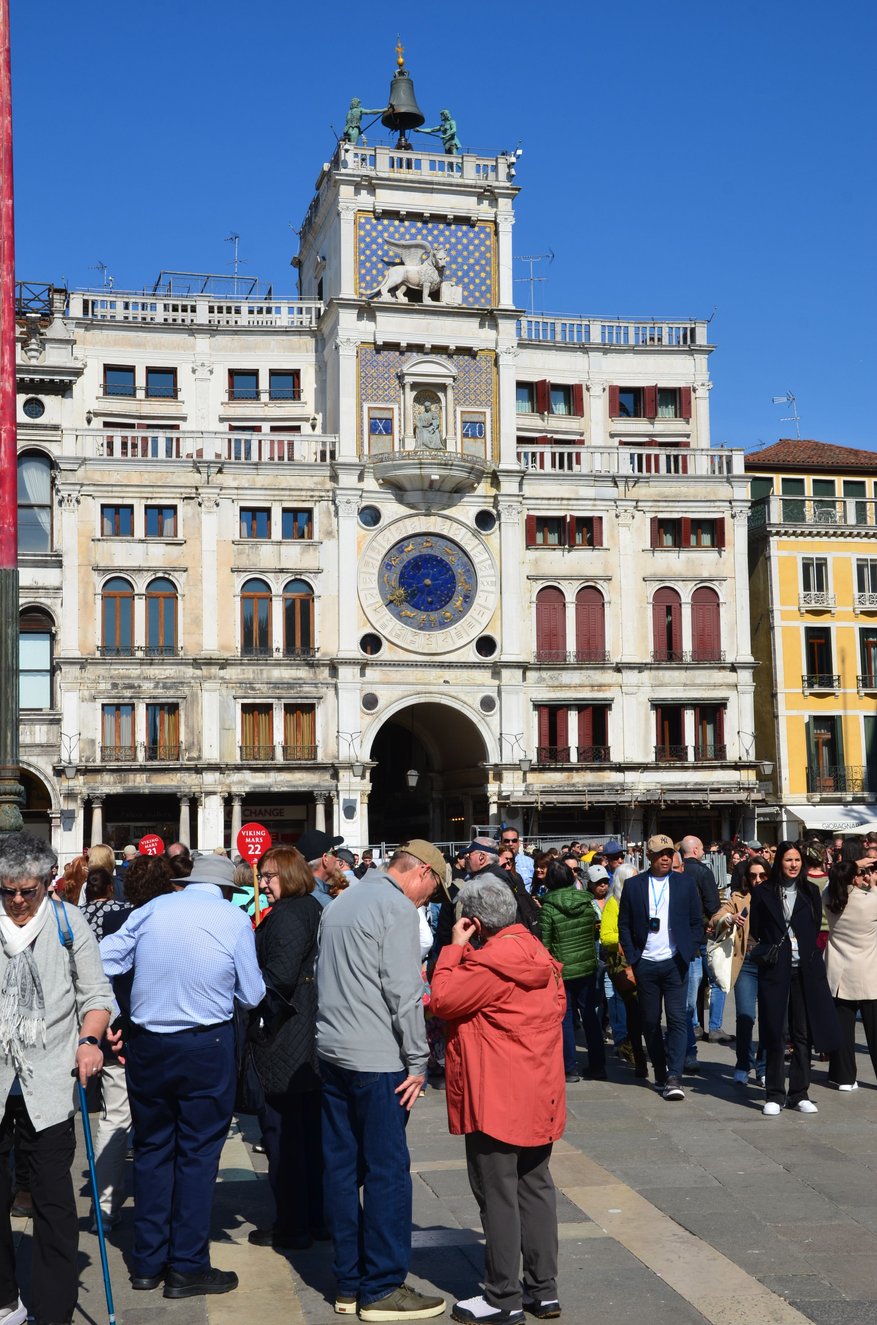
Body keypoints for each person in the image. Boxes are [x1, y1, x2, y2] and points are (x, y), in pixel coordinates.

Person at [100, 854, 265, 1298]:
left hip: (150, 1044)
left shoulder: (152, 909)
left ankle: (148, 1262)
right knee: (197, 1154)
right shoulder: (232, 918)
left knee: (153, 1147)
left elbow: (101, 961)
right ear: (227, 890)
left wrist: (117, 1017)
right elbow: (251, 994)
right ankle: (187, 1264)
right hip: (203, 1046)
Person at [317, 840, 447, 1321]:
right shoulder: (395, 908)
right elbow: (404, 991)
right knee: (387, 1172)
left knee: (341, 1170)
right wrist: (418, 1062)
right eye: (432, 892)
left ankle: (348, 1281)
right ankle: (382, 1286)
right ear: (422, 875)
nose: (428, 902)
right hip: (376, 1060)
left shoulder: (341, 901)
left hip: (333, 1052)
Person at [430, 876, 566, 1325]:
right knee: (536, 1186)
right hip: (538, 1090)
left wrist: (453, 948)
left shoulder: (489, 964)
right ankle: (543, 1291)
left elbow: (444, 1000)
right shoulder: (539, 954)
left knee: (498, 1195)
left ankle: (502, 1296)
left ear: (473, 922)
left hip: (495, 1096)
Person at [0, 832, 114, 1325]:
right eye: (8, 891)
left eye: (27, 890)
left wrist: (89, 1041)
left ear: (48, 882)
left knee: (52, 1199)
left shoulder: (68, 925)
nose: (18, 901)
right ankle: (5, 1299)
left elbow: (96, 996)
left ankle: (52, 1312)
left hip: (48, 1079)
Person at [246, 846, 324, 1250]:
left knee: (286, 1138)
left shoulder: (292, 915)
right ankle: (311, 1217)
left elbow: (278, 978)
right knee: (303, 1136)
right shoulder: (304, 908)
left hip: (286, 1039)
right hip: (298, 1037)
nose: (263, 884)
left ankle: (294, 1224)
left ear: (289, 876)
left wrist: (251, 1005)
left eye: (269, 877)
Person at [749, 841, 839, 1116]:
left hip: (805, 969)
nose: (793, 865)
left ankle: (799, 1092)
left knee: (803, 1033)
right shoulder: (764, 892)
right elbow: (757, 930)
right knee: (775, 1031)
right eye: (788, 860)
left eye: (797, 860)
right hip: (776, 969)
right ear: (779, 863)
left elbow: (813, 928)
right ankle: (774, 1093)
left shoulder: (810, 891)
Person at [617, 833, 704, 1101]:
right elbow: (625, 924)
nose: (665, 858)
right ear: (650, 857)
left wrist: (687, 952)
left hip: (675, 962)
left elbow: (696, 921)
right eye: (660, 854)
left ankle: (675, 1075)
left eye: (669, 853)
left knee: (678, 1019)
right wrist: (634, 959)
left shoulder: (685, 884)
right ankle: (660, 1071)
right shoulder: (634, 886)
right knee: (650, 1021)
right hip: (646, 963)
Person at [539, 861, 605, 1083]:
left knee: (565, 1018)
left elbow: (545, 944)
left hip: (561, 970)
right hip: (587, 966)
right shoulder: (587, 903)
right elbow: (593, 934)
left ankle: (569, 1067)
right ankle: (598, 1065)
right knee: (590, 1017)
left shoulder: (548, 907)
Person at [823, 858, 877, 1090]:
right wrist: (873, 883)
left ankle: (844, 1077)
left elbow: (829, 883)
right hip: (868, 973)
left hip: (838, 973)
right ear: (855, 877)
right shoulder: (871, 900)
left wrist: (853, 864)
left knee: (843, 1030)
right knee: (875, 1032)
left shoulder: (830, 898)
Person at [726, 855, 769, 1085]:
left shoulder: (777, 895)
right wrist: (729, 918)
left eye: (762, 875)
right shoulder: (738, 897)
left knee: (769, 1017)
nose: (758, 879)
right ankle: (743, 1062)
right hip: (747, 961)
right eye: (753, 876)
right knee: (745, 1016)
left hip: (771, 962)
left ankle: (763, 1067)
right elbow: (717, 917)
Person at [465, 839, 540, 936]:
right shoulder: (494, 876)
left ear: (481, 857)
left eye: (469, 855)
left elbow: (501, 919)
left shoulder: (493, 880)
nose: (466, 858)